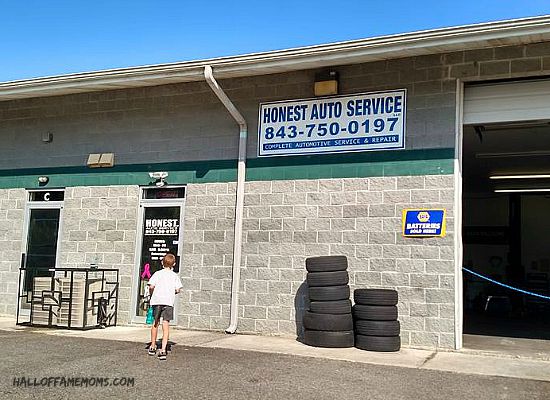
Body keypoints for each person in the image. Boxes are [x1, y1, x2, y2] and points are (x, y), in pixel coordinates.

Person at [147, 253, 183, 360]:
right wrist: (171, 292)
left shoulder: (157, 274)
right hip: (168, 302)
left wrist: (152, 293)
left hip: (157, 300)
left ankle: (153, 346)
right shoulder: (174, 276)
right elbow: (178, 289)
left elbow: (151, 286)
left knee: (155, 323)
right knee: (166, 324)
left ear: (162, 263)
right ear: (174, 264)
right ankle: (163, 350)